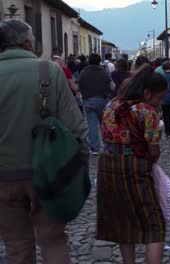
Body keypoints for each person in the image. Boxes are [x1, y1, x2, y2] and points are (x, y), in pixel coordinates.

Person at [0, 19, 88, 264]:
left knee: (16, 245)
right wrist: (79, 167)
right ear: (28, 43)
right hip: (48, 173)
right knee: (54, 240)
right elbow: (75, 126)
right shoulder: (48, 71)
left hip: (3, 177)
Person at [98, 64, 168, 264]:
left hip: (108, 167)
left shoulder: (112, 105)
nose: (159, 103)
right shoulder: (147, 112)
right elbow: (153, 151)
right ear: (147, 93)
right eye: (159, 98)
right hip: (135, 168)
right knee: (155, 225)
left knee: (122, 223)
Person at [78, 53, 115, 154]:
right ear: (99, 61)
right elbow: (112, 87)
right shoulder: (104, 72)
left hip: (88, 101)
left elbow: (79, 86)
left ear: (89, 61)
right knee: (105, 125)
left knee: (92, 126)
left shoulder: (83, 73)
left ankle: (94, 148)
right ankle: (108, 146)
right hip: (102, 101)